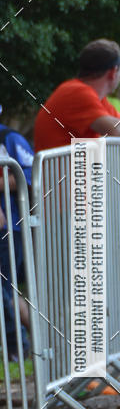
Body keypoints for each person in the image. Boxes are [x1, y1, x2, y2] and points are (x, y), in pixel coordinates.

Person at [34, 39, 120, 302]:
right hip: (68, 210)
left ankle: (117, 323)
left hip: (85, 206)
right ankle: (112, 326)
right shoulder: (76, 92)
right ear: (113, 72)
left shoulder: (93, 98)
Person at [0, 107, 34, 358]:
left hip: (9, 226)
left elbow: (30, 176)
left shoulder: (9, 138)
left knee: (5, 289)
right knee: (7, 290)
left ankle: (17, 346)